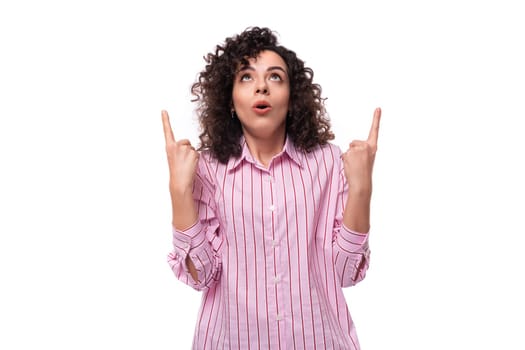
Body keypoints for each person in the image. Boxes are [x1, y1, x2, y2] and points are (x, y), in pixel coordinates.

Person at [162, 26, 381, 349]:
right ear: (230, 102)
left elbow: (346, 274)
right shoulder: (206, 170)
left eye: (275, 77)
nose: (262, 86)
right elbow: (201, 277)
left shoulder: (329, 163)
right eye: (247, 77)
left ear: (292, 100)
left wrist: (362, 190)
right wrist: (179, 191)